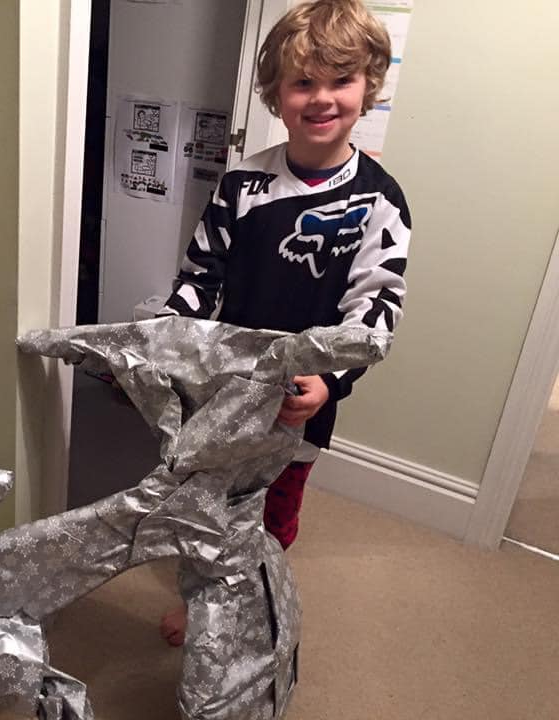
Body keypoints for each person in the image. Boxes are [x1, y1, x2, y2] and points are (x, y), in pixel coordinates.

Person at [158, 0, 411, 646]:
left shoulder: (380, 203)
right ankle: (200, 600)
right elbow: (200, 274)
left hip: (302, 405)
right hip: (227, 395)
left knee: (272, 517)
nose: (321, 98)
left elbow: (375, 314)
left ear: (369, 86)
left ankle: (254, 605)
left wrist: (332, 383)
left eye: (340, 80)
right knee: (208, 505)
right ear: (275, 94)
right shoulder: (243, 185)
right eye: (303, 82)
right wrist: (167, 333)